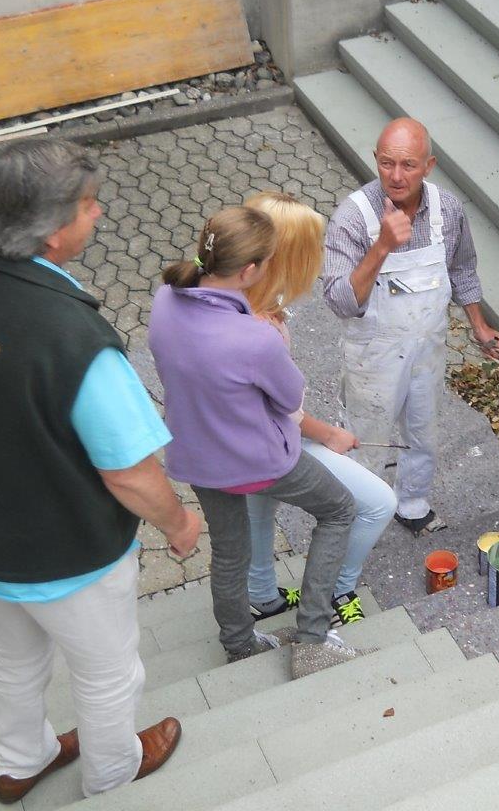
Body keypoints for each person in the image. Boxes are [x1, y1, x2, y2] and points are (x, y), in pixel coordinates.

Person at [0, 140, 199, 802]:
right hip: (68, 555)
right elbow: (131, 477)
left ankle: (20, 762)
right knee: (108, 673)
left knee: (13, 655)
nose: (100, 214)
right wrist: (179, 523)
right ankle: (113, 773)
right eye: (88, 206)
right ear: (55, 232)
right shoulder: (75, 339)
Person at [148, 206, 367, 680]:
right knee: (340, 511)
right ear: (248, 271)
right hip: (262, 461)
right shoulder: (254, 339)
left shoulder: (165, 299)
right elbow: (290, 396)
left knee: (230, 553)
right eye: (266, 261)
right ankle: (312, 638)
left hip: (197, 456)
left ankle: (240, 645)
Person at [322, 117, 499, 536]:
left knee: (422, 430)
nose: (395, 176)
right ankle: (354, 519)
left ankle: (412, 504)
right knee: (364, 439)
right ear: (375, 159)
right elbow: (339, 301)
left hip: (427, 349)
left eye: (408, 165)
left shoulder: (449, 209)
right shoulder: (352, 218)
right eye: (387, 163)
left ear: (429, 165)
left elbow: (463, 269)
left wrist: (479, 327)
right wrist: (383, 246)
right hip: (374, 356)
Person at [240, 192, 397, 628]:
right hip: (271, 446)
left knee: (259, 510)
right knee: (377, 503)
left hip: (238, 444)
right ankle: (335, 590)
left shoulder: (236, 301)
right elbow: (284, 410)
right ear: (292, 257)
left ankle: (262, 597)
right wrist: (329, 434)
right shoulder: (264, 330)